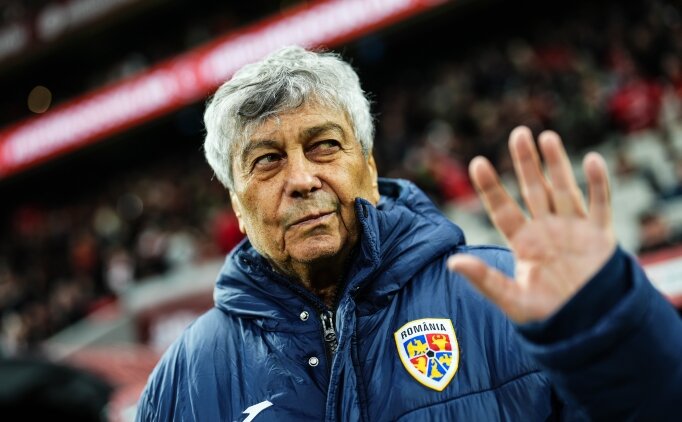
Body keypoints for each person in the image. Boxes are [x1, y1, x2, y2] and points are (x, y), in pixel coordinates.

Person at [136, 46, 682, 421]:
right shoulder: (181, 382)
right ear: (237, 203)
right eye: (267, 160)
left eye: (324, 145)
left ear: (370, 167)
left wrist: (616, 331)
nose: (301, 179)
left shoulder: (513, 295)